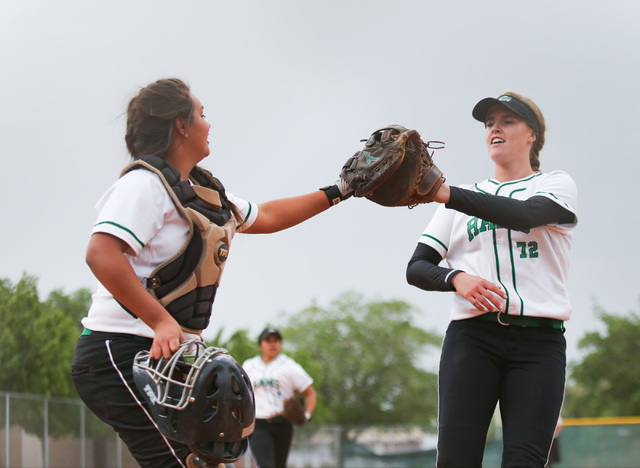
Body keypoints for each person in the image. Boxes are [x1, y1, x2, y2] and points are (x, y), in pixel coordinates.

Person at [71, 78, 350, 468]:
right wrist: (160, 321)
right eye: (201, 114)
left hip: (168, 357)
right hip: (117, 351)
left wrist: (343, 188)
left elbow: (267, 215)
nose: (208, 123)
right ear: (181, 125)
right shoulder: (143, 185)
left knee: (201, 463)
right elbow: (101, 253)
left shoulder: (202, 192)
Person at [406, 92, 578, 467]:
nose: (494, 128)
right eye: (489, 123)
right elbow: (417, 267)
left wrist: (447, 194)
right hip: (473, 339)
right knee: (455, 459)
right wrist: (456, 277)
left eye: (507, 121)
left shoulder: (555, 184)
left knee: (525, 461)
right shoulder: (458, 201)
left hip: (539, 343)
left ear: (532, 134)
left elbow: (525, 214)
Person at [242, 328, 317, 468]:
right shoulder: (249, 366)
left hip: (283, 422)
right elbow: (240, 393)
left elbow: (310, 392)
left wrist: (306, 415)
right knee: (266, 465)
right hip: (258, 423)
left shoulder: (289, 366)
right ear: (260, 345)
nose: (273, 344)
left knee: (279, 465)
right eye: (268, 341)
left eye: (276, 340)